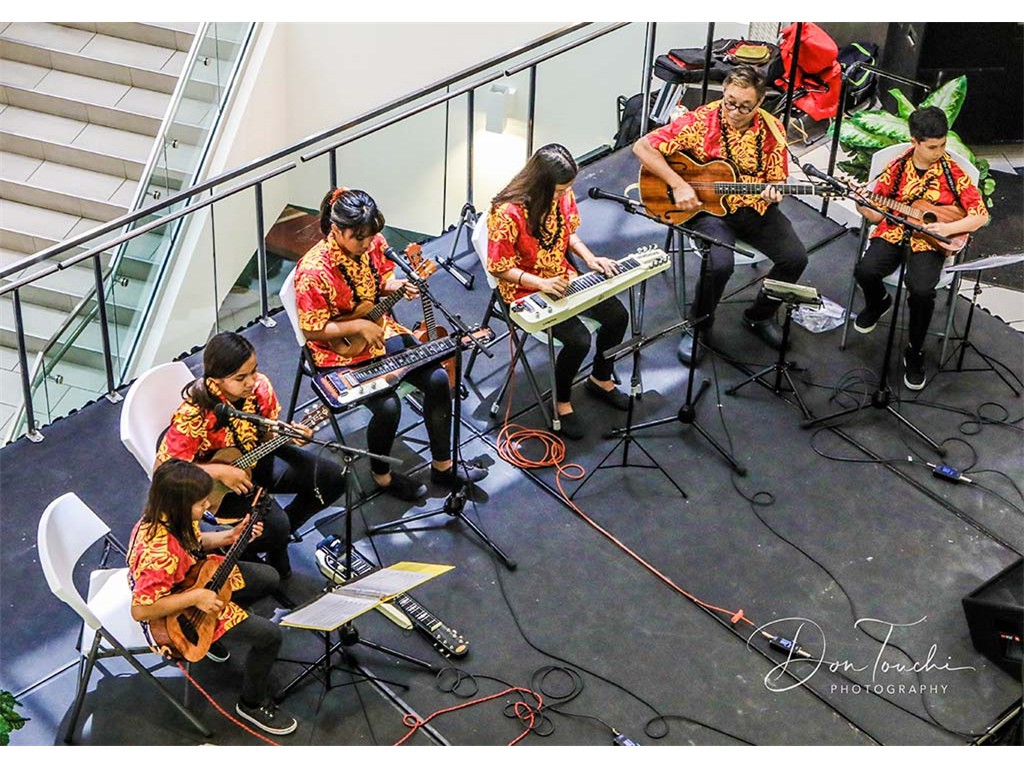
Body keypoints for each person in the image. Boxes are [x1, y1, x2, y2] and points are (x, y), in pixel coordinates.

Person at [294, 187, 487, 501]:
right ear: (336, 230)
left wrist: (398, 285)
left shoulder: (374, 242)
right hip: (338, 351)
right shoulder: (313, 271)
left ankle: (443, 466)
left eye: (371, 236)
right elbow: (312, 329)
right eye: (359, 238)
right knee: (388, 407)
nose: (367, 243)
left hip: (381, 331)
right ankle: (381, 476)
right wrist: (357, 325)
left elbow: (381, 282)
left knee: (438, 379)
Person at [633, 64, 808, 365]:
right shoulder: (701, 121)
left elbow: (776, 178)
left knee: (796, 258)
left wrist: (774, 190)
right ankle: (698, 325)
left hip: (753, 208)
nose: (735, 112)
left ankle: (759, 315)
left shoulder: (773, 131)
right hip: (708, 211)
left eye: (745, 106)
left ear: (759, 102)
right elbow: (642, 147)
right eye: (730, 102)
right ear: (724, 93)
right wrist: (678, 184)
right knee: (719, 265)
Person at [128, 459, 298, 736]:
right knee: (270, 636)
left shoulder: (172, 517)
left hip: (194, 580)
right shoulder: (157, 554)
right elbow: (141, 610)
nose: (207, 506)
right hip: (176, 616)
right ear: (179, 505)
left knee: (268, 578)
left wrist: (230, 537)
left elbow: (194, 543)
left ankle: (213, 635)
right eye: (200, 503)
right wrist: (195, 598)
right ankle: (252, 704)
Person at [156, 331, 345, 579]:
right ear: (216, 379)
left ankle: (277, 535)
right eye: (240, 378)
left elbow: (266, 436)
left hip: (257, 458)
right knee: (276, 538)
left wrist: (289, 435)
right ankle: (240, 544)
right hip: (219, 487)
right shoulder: (194, 414)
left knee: (333, 478)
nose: (251, 381)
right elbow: (165, 470)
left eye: (253, 371)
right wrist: (219, 471)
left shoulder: (260, 388)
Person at [485, 143, 630, 441]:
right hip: (525, 291)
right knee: (578, 340)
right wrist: (540, 283)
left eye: (567, 190)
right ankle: (561, 401)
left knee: (617, 316)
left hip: (563, 277)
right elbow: (498, 267)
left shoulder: (562, 196)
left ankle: (600, 377)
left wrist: (589, 258)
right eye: (559, 190)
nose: (564, 195)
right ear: (540, 184)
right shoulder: (507, 212)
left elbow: (567, 233)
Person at [852, 106, 990, 390]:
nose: (939, 152)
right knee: (865, 271)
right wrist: (862, 205)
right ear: (914, 141)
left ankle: (914, 350)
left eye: (943, 145)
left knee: (922, 291)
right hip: (894, 231)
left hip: (929, 241)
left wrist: (947, 229)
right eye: (932, 147)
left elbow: (980, 215)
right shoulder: (897, 167)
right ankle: (879, 303)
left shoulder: (952, 173)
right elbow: (877, 216)